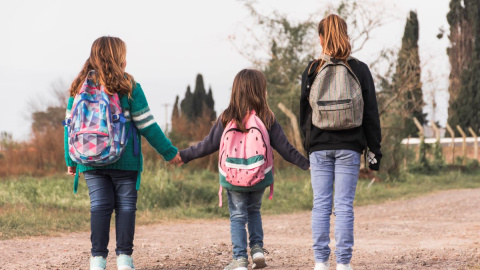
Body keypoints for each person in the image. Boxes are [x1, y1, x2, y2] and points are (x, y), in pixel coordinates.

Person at [171, 69, 309, 270]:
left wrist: (184, 155)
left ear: (236, 90)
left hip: (232, 177)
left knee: (237, 216)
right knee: (254, 211)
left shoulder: (227, 117)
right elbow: (285, 148)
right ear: (260, 91)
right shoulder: (267, 117)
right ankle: (258, 250)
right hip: (259, 176)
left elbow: (208, 145)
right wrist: (306, 163)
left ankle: (239, 259)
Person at [63, 36, 180, 270]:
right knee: (126, 207)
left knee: (99, 206)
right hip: (124, 159)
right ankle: (124, 259)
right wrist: (170, 152)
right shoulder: (129, 87)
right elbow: (147, 125)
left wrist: (70, 159)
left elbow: (68, 127)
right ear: (120, 58)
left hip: (88, 160)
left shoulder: (79, 87)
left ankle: (97, 260)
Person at [299, 15, 382, 270]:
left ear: (321, 38)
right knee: (344, 206)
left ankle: (321, 263)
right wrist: (374, 151)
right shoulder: (359, 69)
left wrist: (308, 147)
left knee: (321, 205)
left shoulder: (312, 70)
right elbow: (370, 115)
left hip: (320, 147)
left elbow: (305, 115)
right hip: (350, 146)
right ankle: (344, 264)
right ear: (345, 35)